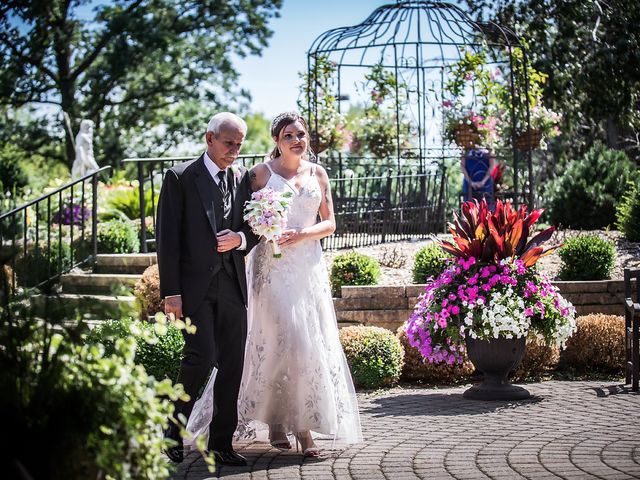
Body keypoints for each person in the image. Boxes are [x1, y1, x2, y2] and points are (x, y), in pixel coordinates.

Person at [187, 112, 362, 458]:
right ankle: (302, 432)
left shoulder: (318, 173)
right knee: (285, 341)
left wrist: (302, 234)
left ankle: (282, 423)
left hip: (307, 268)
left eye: (301, 134)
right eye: (288, 135)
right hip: (270, 270)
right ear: (277, 141)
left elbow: (329, 223)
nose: (297, 140)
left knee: (304, 344)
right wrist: (249, 234)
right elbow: (239, 219)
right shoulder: (258, 175)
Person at [156, 112, 259, 466]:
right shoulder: (180, 177)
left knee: (232, 364)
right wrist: (171, 291)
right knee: (199, 358)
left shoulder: (243, 178)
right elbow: (167, 239)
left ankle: (220, 443)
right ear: (209, 138)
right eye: (229, 143)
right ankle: (172, 429)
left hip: (233, 285)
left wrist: (241, 238)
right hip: (194, 288)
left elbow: (255, 225)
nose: (234, 150)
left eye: (239, 144)